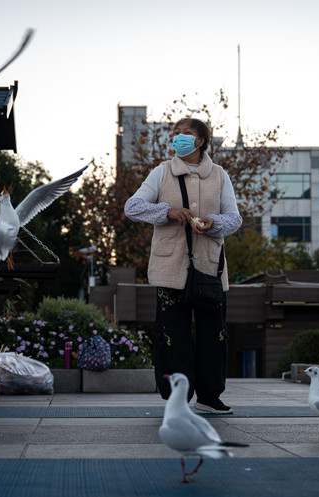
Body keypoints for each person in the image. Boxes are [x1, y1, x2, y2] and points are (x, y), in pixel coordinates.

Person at [124, 117, 242, 414]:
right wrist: (168, 212)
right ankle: (176, 399)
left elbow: (235, 219)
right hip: (170, 269)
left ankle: (209, 398)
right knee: (172, 338)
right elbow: (132, 207)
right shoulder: (162, 172)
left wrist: (213, 223)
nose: (178, 137)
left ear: (201, 140)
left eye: (186, 133)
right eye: (176, 133)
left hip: (210, 270)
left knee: (212, 338)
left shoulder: (220, 175)